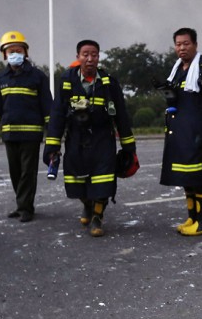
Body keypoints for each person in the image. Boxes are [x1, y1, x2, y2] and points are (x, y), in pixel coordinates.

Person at [43, 40, 136, 236]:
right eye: (85, 54)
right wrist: (52, 146)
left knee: (103, 181)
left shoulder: (109, 82)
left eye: (94, 54)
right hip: (76, 139)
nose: (90, 59)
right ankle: (87, 204)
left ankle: (97, 218)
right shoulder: (67, 81)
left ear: (98, 57)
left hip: (103, 139)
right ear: (78, 57)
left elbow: (121, 115)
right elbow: (58, 114)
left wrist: (129, 147)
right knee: (77, 182)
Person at [159, 28, 202, 236]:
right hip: (181, 135)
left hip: (201, 134)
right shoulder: (177, 70)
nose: (182, 48)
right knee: (187, 178)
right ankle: (193, 217)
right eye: (178, 44)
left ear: (195, 45)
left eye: (186, 43)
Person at [0, 31, 53, 222]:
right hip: (9, 132)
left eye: (18, 50)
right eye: (10, 50)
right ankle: (21, 204)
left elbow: (47, 104)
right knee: (15, 172)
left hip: (31, 133)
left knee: (27, 173)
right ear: (5, 55)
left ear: (25, 52)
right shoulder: (0, 79)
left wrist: (52, 130)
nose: (15, 53)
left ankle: (26, 208)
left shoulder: (37, 76)